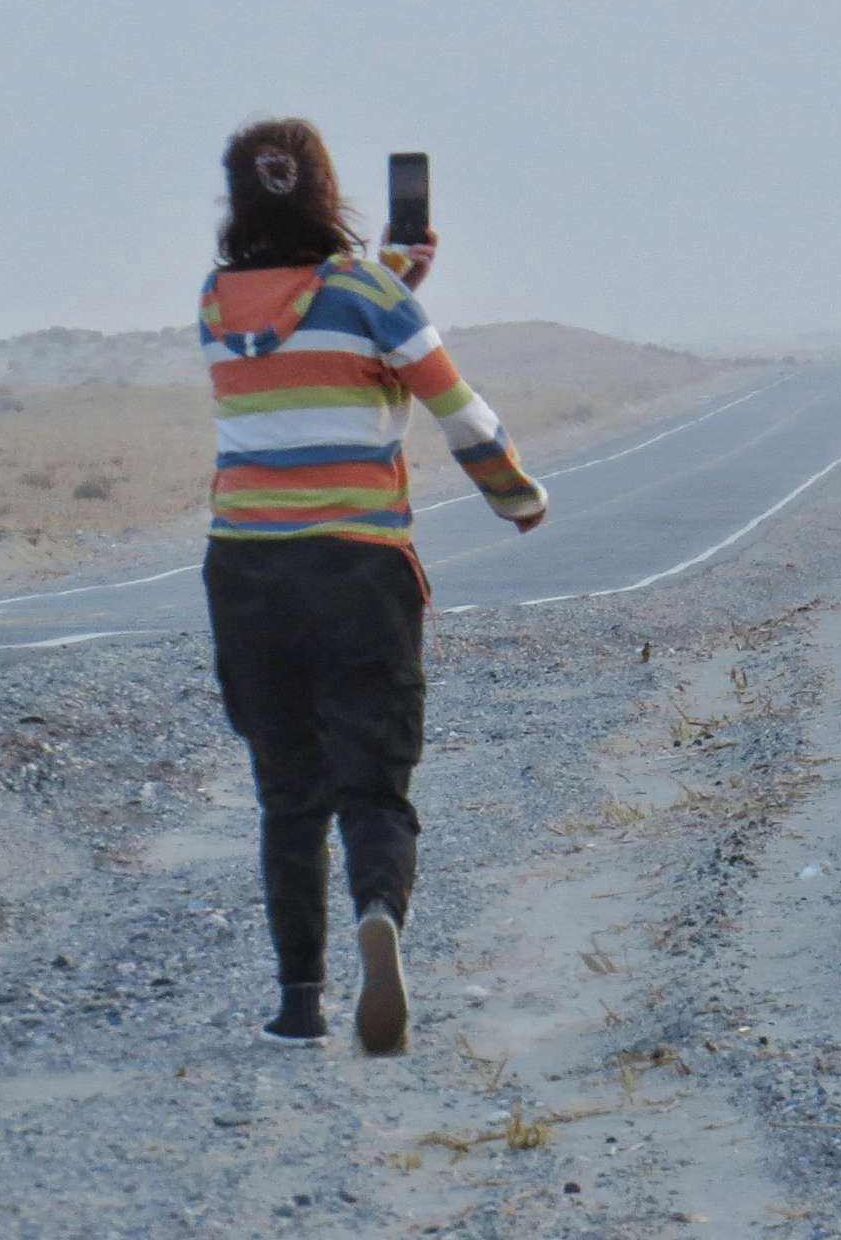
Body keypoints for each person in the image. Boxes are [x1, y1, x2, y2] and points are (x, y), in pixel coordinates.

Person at [198, 119, 547, 1051]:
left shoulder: (215, 303)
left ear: (239, 199)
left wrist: (392, 279)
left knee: (288, 791)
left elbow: (298, 331)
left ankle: (297, 1004)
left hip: (244, 570)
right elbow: (454, 408)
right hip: (357, 567)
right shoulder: (369, 294)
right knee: (374, 785)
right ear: (327, 191)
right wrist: (516, 496)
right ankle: (379, 916)